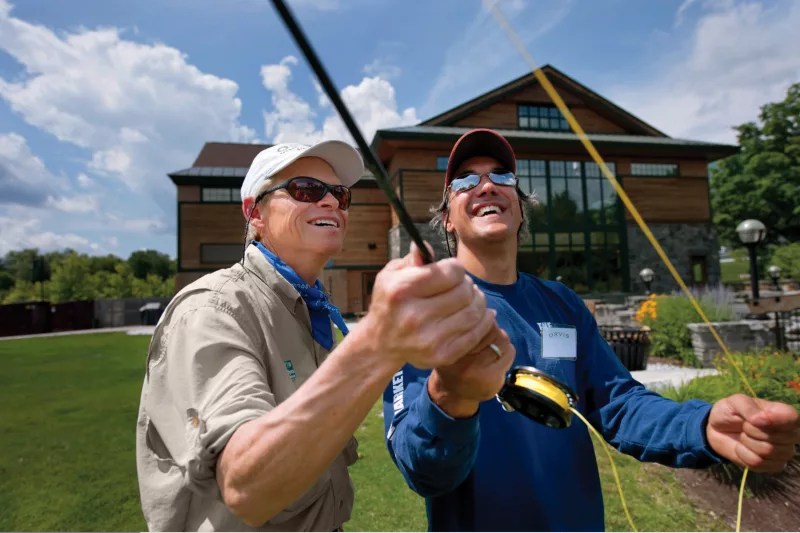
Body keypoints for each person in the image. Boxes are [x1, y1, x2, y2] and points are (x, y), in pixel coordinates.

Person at [383, 128, 800, 531]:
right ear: (447, 220)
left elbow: (617, 403)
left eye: (503, 176)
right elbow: (420, 468)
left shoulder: (563, 303)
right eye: (466, 180)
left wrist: (701, 426)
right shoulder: (425, 306)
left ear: (521, 206)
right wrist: (450, 394)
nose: (487, 186)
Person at [135, 139, 514, 531]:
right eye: (305, 190)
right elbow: (246, 486)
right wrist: (378, 343)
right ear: (254, 212)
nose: (331, 202)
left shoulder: (307, 309)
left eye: (339, 194)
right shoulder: (213, 309)